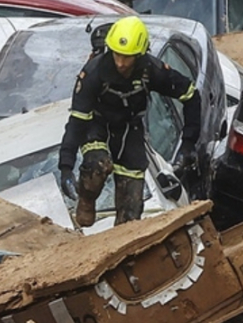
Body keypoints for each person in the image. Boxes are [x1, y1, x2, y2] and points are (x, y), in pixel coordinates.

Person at [58, 17, 201, 228]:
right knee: (98, 165)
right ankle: (87, 199)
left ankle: (123, 247)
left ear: (140, 54)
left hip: (129, 128)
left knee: (132, 210)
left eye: (128, 57)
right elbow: (77, 122)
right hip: (96, 126)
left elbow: (190, 95)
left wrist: (189, 142)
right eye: (117, 54)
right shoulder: (93, 73)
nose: (121, 63)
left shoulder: (151, 70)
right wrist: (66, 167)